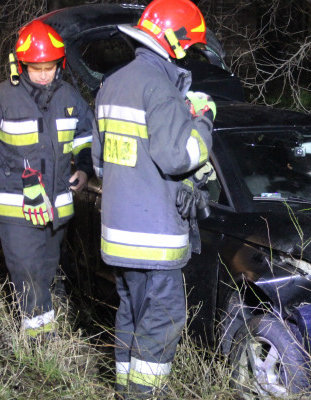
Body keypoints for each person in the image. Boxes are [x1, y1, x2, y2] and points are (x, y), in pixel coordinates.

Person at [91, 0, 215, 396]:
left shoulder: (111, 84)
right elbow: (180, 155)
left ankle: (125, 389)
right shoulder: (160, 88)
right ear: (175, 42)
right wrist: (204, 121)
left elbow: (100, 163)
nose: (190, 55)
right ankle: (144, 394)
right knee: (162, 319)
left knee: (131, 312)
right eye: (190, 48)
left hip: (117, 235)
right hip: (155, 240)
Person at [0, 20, 95, 338]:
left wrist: (83, 168)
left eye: (50, 67)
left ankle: (48, 331)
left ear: (60, 64)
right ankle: (39, 341)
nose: (43, 74)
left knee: (46, 271)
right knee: (25, 272)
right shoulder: (1, 99)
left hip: (57, 208)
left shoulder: (69, 96)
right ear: (21, 64)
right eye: (36, 67)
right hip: (17, 208)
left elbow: (85, 136)